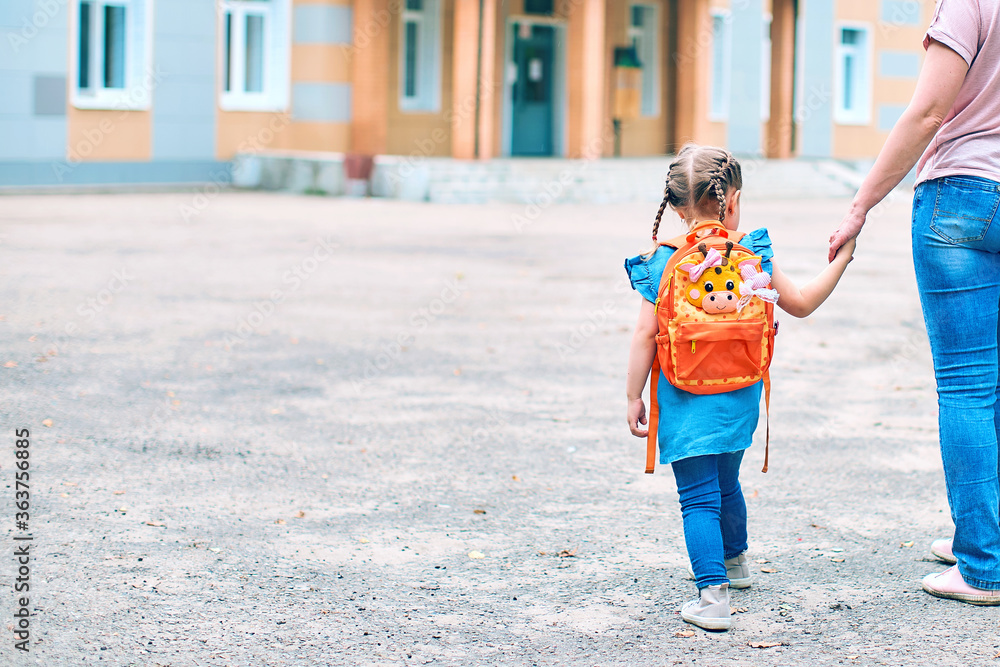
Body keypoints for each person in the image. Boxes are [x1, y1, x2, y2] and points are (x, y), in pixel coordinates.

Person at [625, 144, 856, 630]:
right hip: (741, 394)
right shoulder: (751, 256)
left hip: (685, 400)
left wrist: (633, 396)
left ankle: (712, 600)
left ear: (675, 205)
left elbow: (646, 335)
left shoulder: (663, 263)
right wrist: (842, 260)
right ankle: (736, 564)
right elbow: (803, 303)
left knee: (698, 497)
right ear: (731, 201)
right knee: (726, 481)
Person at [828, 1, 1000, 605]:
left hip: (963, 193)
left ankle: (984, 564)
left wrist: (860, 204)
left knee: (970, 386)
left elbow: (928, 111)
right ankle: (987, 535)